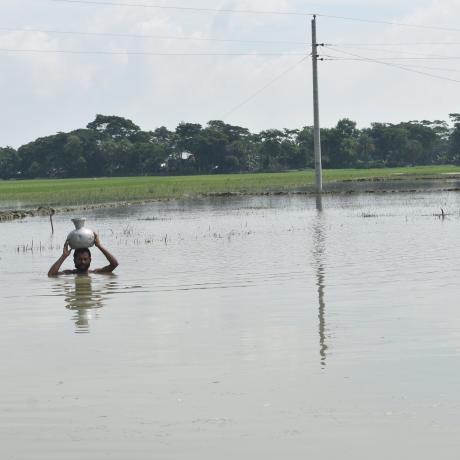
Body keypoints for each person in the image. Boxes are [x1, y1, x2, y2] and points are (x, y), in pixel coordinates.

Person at [48, 233, 119, 276]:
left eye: (85, 259)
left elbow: (114, 264)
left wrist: (99, 246)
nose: (83, 262)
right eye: (79, 259)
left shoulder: (95, 272)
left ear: (90, 260)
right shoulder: (69, 273)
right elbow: (51, 274)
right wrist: (64, 256)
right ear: (74, 260)